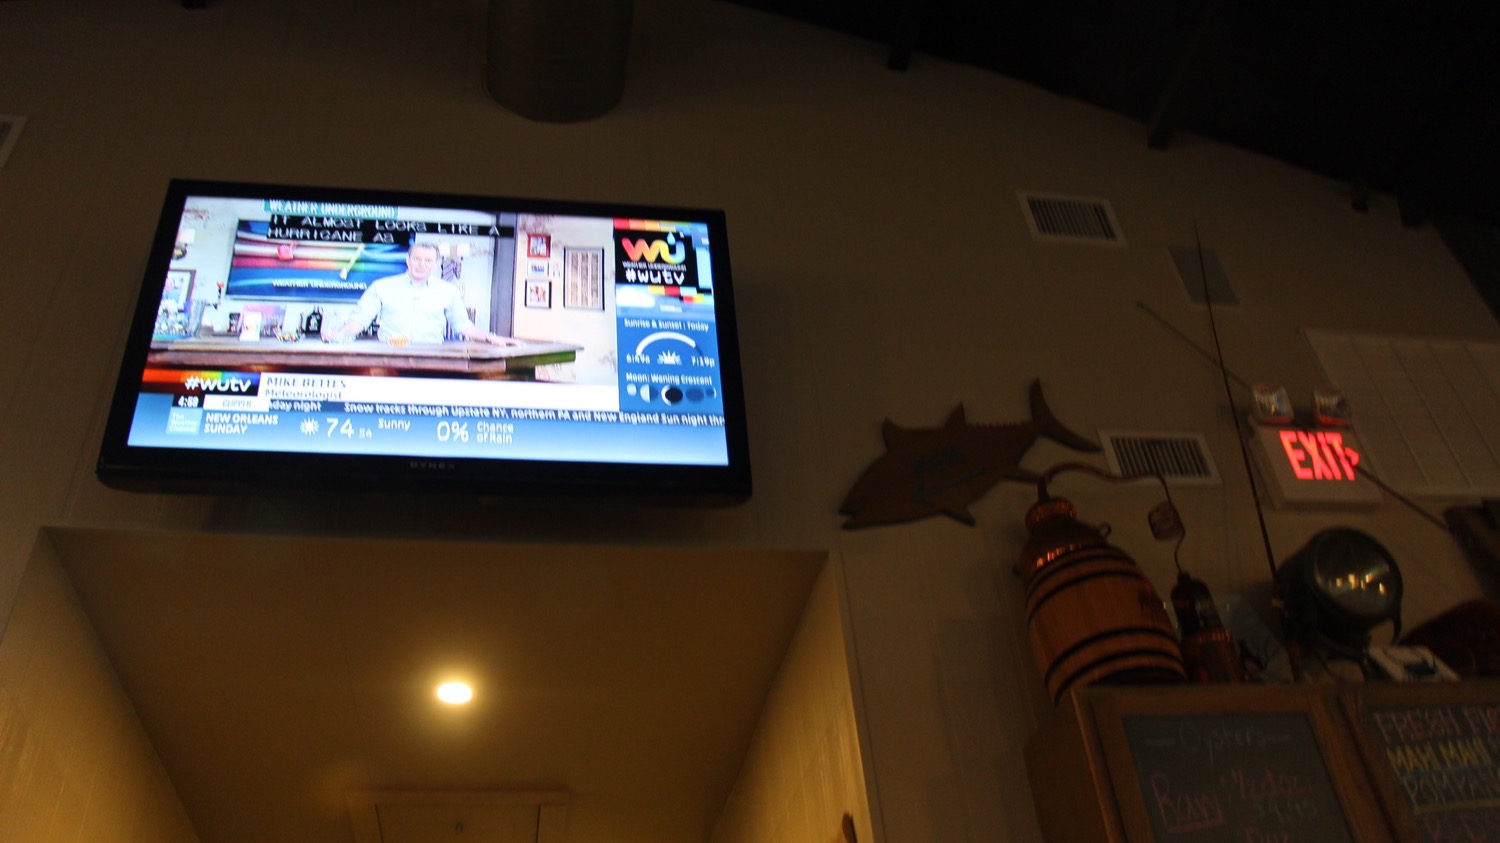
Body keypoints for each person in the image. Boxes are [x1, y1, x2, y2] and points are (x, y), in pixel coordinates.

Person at [323, 242, 516, 345]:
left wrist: (490, 338)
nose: (421, 265)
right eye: (417, 259)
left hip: (431, 356)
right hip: (389, 355)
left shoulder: (448, 291)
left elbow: (463, 326)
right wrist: (338, 335)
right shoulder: (381, 287)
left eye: (427, 261)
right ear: (408, 261)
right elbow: (360, 320)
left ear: (435, 264)